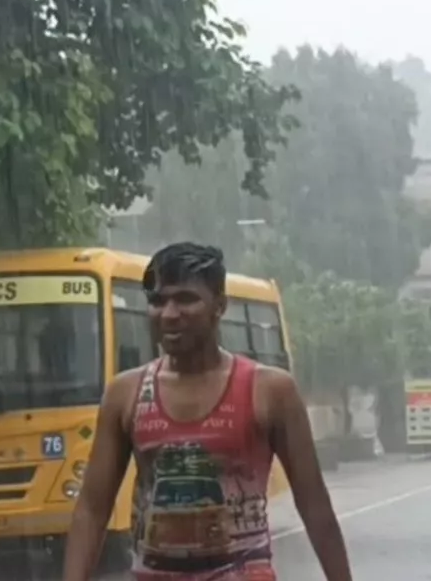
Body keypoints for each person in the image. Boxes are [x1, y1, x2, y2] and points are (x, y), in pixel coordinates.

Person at [63, 243, 352, 581]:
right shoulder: (125, 394)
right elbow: (92, 509)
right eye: (158, 301)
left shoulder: (270, 391)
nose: (169, 313)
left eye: (186, 298)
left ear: (220, 306)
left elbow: (314, 506)